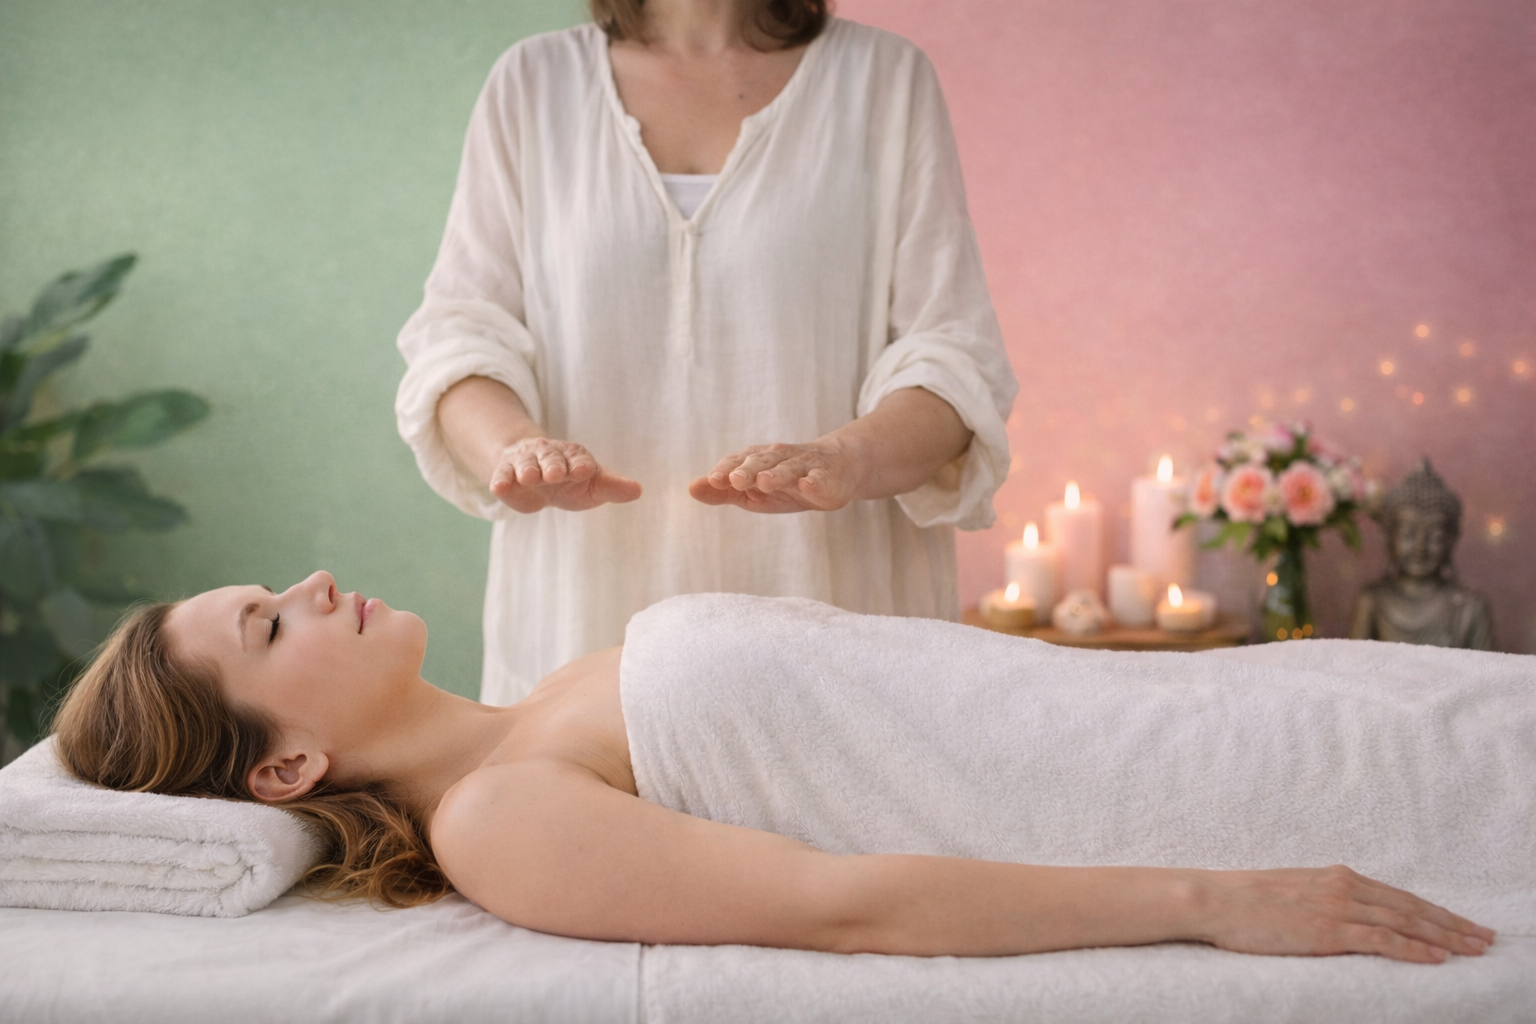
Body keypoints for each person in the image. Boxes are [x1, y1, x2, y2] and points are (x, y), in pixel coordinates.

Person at [51, 571, 1497, 964]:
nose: (311, 581)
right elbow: (843, 903)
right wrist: (1208, 900)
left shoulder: (542, 700)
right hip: (1196, 783)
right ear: (287, 766)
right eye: (269, 621)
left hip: (1197, 707)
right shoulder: (500, 823)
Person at [395, 0, 1017, 704]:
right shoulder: (532, 83)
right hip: (585, 631)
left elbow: (954, 357)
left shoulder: (884, 78)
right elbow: (458, 337)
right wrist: (515, 449)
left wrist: (850, 460)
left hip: (836, 628)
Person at [1349, 459, 1496, 649]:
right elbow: (1355, 670)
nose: (1420, 547)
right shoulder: (1372, 601)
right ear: (1388, 537)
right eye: (1408, 534)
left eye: (1434, 536)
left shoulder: (1470, 607)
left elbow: (1488, 675)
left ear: (1451, 540)